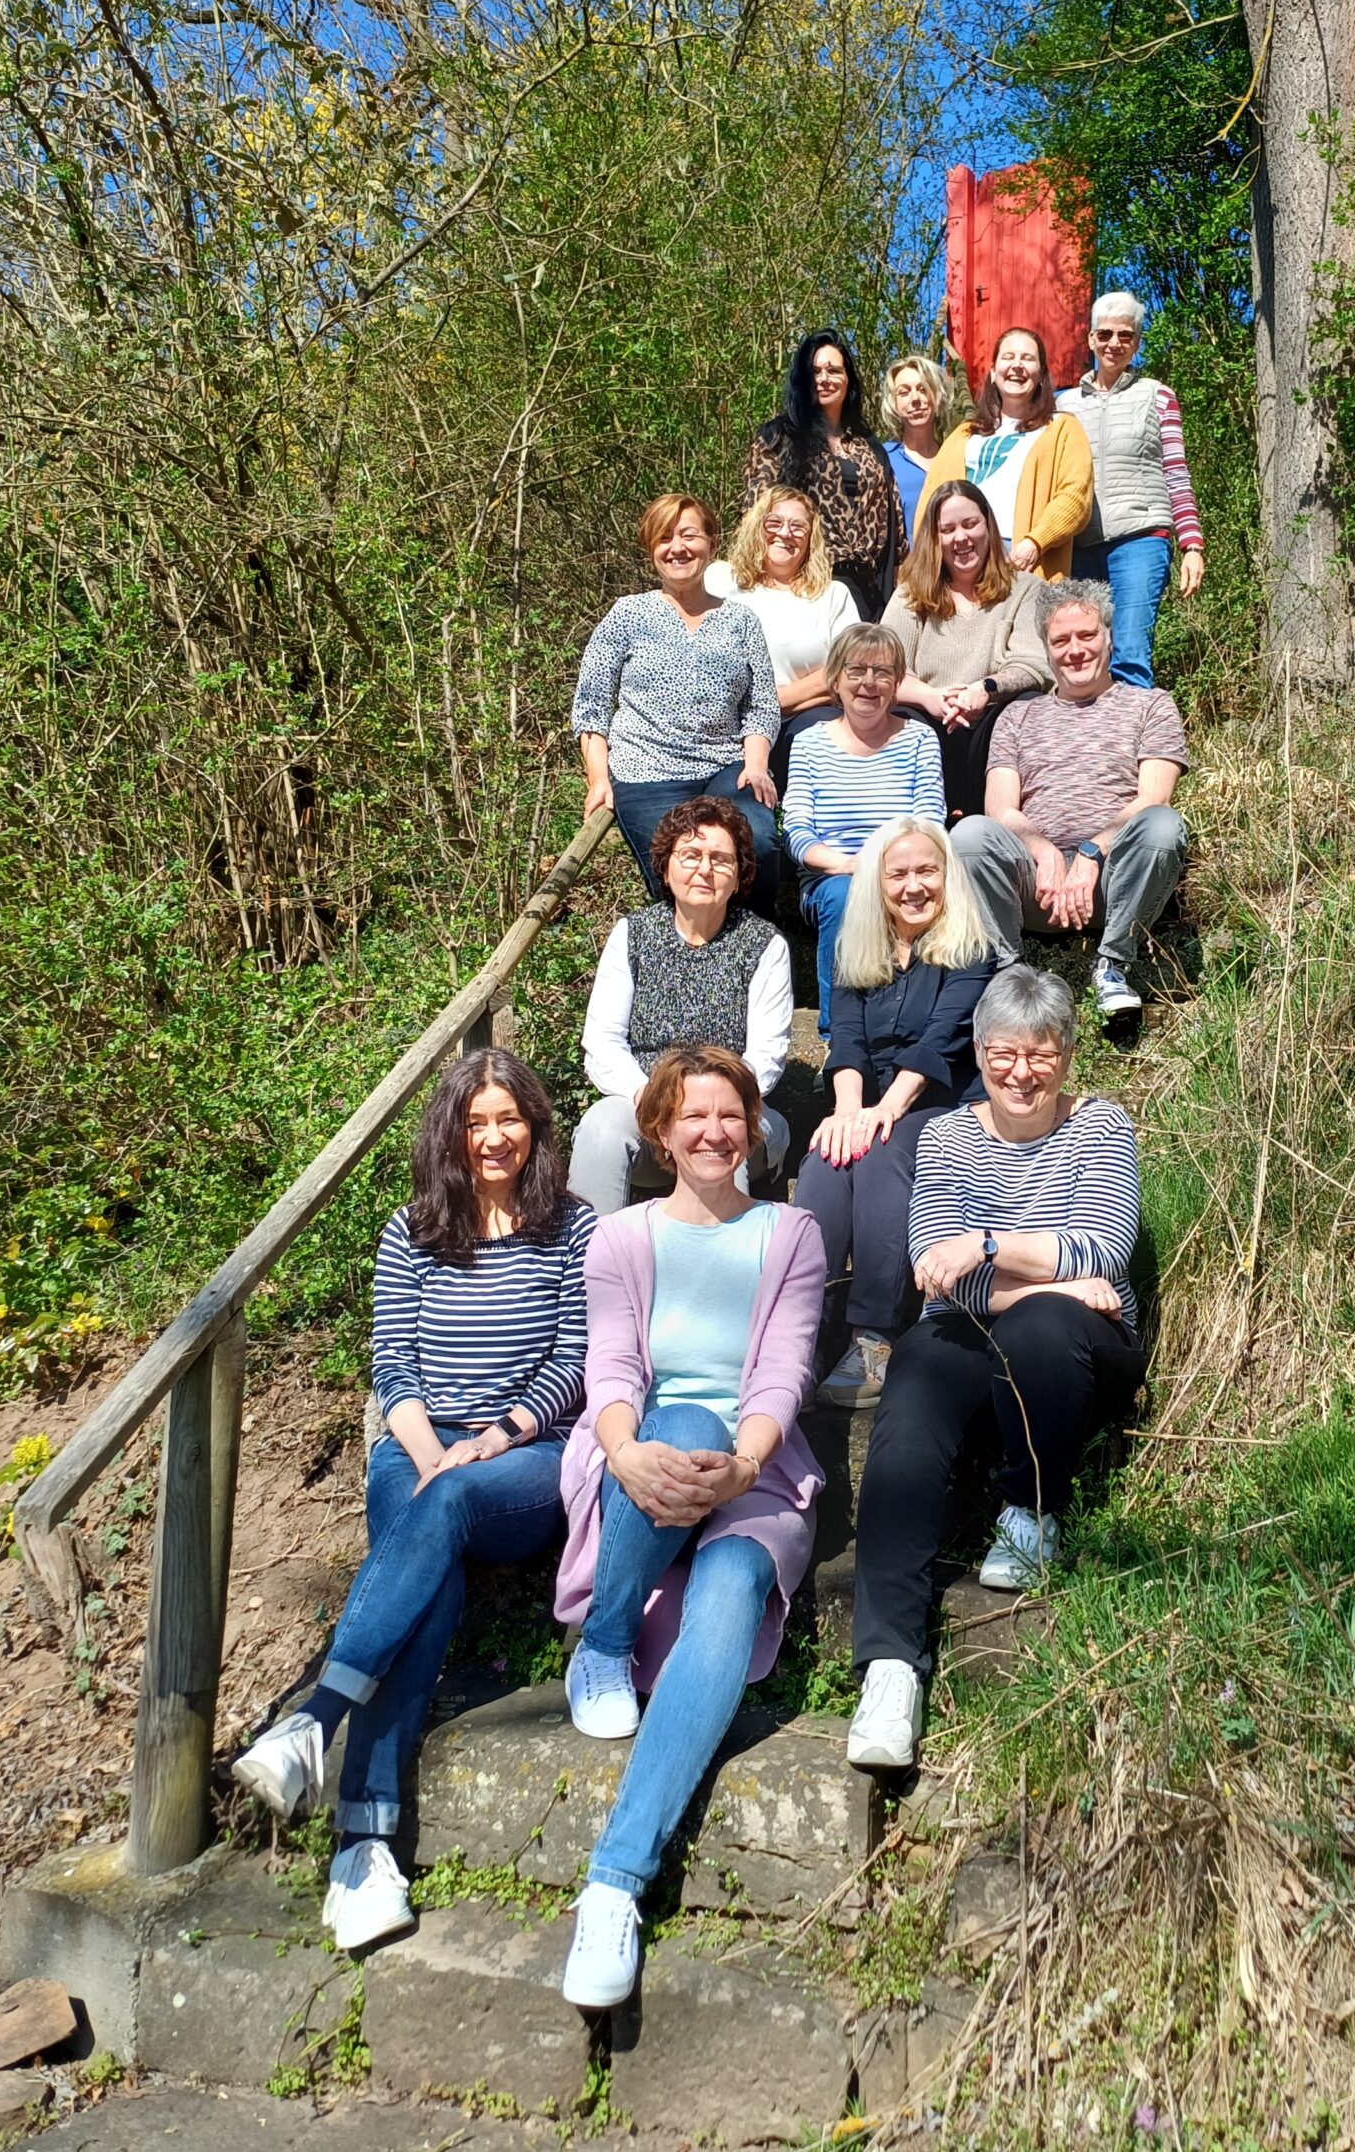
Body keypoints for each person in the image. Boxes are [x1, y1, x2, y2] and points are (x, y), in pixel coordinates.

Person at [232, 1051, 591, 1951]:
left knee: (448, 1507)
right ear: (451, 1135)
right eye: (476, 1123)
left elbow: (576, 1359)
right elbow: (392, 1362)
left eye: (509, 1119)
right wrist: (431, 1453)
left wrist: (492, 1439)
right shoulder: (413, 1229)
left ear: (535, 1127)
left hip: (524, 1459)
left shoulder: (573, 1226)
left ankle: (314, 1725)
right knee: (428, 1577)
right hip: (418, 1451)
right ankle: (364, 1856)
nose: (494, 1137)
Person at [553, 1046, 825, 2007]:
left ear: (754, 1129)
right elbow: (612, 1370)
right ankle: (606, 1642)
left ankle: (614, 1884)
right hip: (640, 1456)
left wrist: (742, 1467)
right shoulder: (621, 1238)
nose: (714, 1132)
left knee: (731, 1590)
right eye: (693, 1116)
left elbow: (784, 1371)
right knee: (682, 1426)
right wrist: (625, 1452)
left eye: (731, 1115)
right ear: (660, 1134)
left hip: (755, 1468)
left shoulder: (791, 1232)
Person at [844, 969, 1145, 1772]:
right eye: (1004, 1053)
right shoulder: (947, 1136)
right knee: (909, 1401)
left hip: (1079, 1352)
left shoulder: (1101, 1125)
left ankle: (1029, 1512)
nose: (1021, 1071)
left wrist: (988, 1247)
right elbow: (933, 1270)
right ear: (979, 1053)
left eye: (1041, 1054)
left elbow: (1102, 1249)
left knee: (1042, 1327)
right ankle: (889, 1667)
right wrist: (1059, 1280)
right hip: (969, 1333)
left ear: (1068, 1056)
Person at [795, 818, 997, 1408]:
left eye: (927, 871)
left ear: (947, 876)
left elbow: (940, 1041)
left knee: (883, 1152)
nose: (913, 886)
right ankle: (800, 1333)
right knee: (825, 1160)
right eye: (898, 874)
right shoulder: (858, 947)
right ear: (878, 883)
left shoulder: (971, 948)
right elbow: (847, 1039)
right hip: (872, 1099)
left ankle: (873, 1335)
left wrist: (882, 1111)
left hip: (943, 1103)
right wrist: (847, 1112)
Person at [951, 579, 1189, 1025]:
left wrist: (1091, 852)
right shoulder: (1017, 716)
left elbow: (1153, 798)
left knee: (1163, 825)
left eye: (1087, 635)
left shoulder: (1151, 706)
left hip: (1114, 883)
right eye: (1061, 640)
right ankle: (1009, 969)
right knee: (969, 835)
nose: (1075, 650)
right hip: (1034, 885)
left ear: (1109, 638)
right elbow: (999, 809)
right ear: (1046, 648)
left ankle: (1113, 964)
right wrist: (1044, 853)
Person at [570, 799, 793, 1214]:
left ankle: (726, 1251)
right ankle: (591, 1252)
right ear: (666, 867)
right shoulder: (632, 935)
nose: (705, 869)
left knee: (721, 1133)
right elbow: (603, 1041)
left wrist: (708, 1108)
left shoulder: (765, 945)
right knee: (601, 1129)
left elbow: (767, 1055)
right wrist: (652, 1098)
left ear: (739, 875)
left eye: (721, 859)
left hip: (736, 1106)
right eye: (691, 855)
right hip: (646, 1108)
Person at [572, 494, 780, 917]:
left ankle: (757, 948)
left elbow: (761, 705)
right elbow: (591, 705)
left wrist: (756, 765)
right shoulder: (628, 615)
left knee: (757, 845)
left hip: (726, 767)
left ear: (712, 543)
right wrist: (598, 779)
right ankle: (692, 953)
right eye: (664, 538)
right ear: (651, 549)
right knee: (679, 871)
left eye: (688, 535)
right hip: (647, 773)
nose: (677, 548)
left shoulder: (741, 621)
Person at [783, 624, 944, 1036]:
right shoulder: (808, 743)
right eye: (856, 670)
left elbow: (929, 821)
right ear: (835, 679)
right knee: (845, 894)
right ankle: (838, 1036)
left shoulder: (920, 740)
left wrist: (885, 869)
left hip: (905, 872)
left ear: (896, 684)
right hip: (831, 877)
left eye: (882, 672)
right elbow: (796, 829)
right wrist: (844, 864)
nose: (868, 683)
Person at [1058, 289, 1207, 689]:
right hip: (1079, 545)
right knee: (1080, 656)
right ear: (1091, 339)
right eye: (1105, 334)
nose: (1114, 343)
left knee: (1129, 652)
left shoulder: (1157, 396)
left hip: (1140, 538)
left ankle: (1136, 729)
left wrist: (1192, 545)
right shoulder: (1063, 406)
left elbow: (1176, 472)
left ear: (1137, 342)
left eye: (1125, 335)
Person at [882, 479, 1051, 819]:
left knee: (1029, 706)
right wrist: (931, 697)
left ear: (988, 525)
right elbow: (885, 668)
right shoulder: (911, 595)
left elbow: (1033, 666)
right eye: (948, 530)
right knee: (897, 717)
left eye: (970, 524)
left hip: (993, 722)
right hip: (928, 721)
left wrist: (985, 690)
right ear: (935, 538)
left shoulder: (1026, 589)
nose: (961, 537)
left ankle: (1011, 820)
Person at [705, 486, 860, 793]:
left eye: (798, 526)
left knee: (828, 736)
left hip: (803, 721)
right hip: (728, 723)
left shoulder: (832, 595)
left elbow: (849, 668)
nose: (785, 533)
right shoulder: (721, 581)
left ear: (811, 538)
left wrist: (775, 701)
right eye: (774, 522)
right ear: (757, 526)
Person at [743, 330, 906, 620]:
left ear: (848, 378)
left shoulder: (869, 446)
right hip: (806, 585)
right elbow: (757, 516)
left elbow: (894, 525)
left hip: (868, 590)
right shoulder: (778, 439)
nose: (824, 379)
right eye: (815, 371)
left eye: (833, 370)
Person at [916, 328, 1092, 581]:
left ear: (1042, 375)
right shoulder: (964, 434)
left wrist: (1035, 542)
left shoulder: (1062, 429)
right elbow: (930, 499)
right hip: (961, 557)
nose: (1017, 365)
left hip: (1023, 560)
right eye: (1008, 357)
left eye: (1027, 358)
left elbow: (1076, 496)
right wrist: (926, 560)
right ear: (992, 371)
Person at [878, 353, 951, 543]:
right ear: (894, 403)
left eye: (923, 389)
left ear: (936, 395)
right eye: (904, 392)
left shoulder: (955, 457)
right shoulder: (881, 460)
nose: (915, 399)